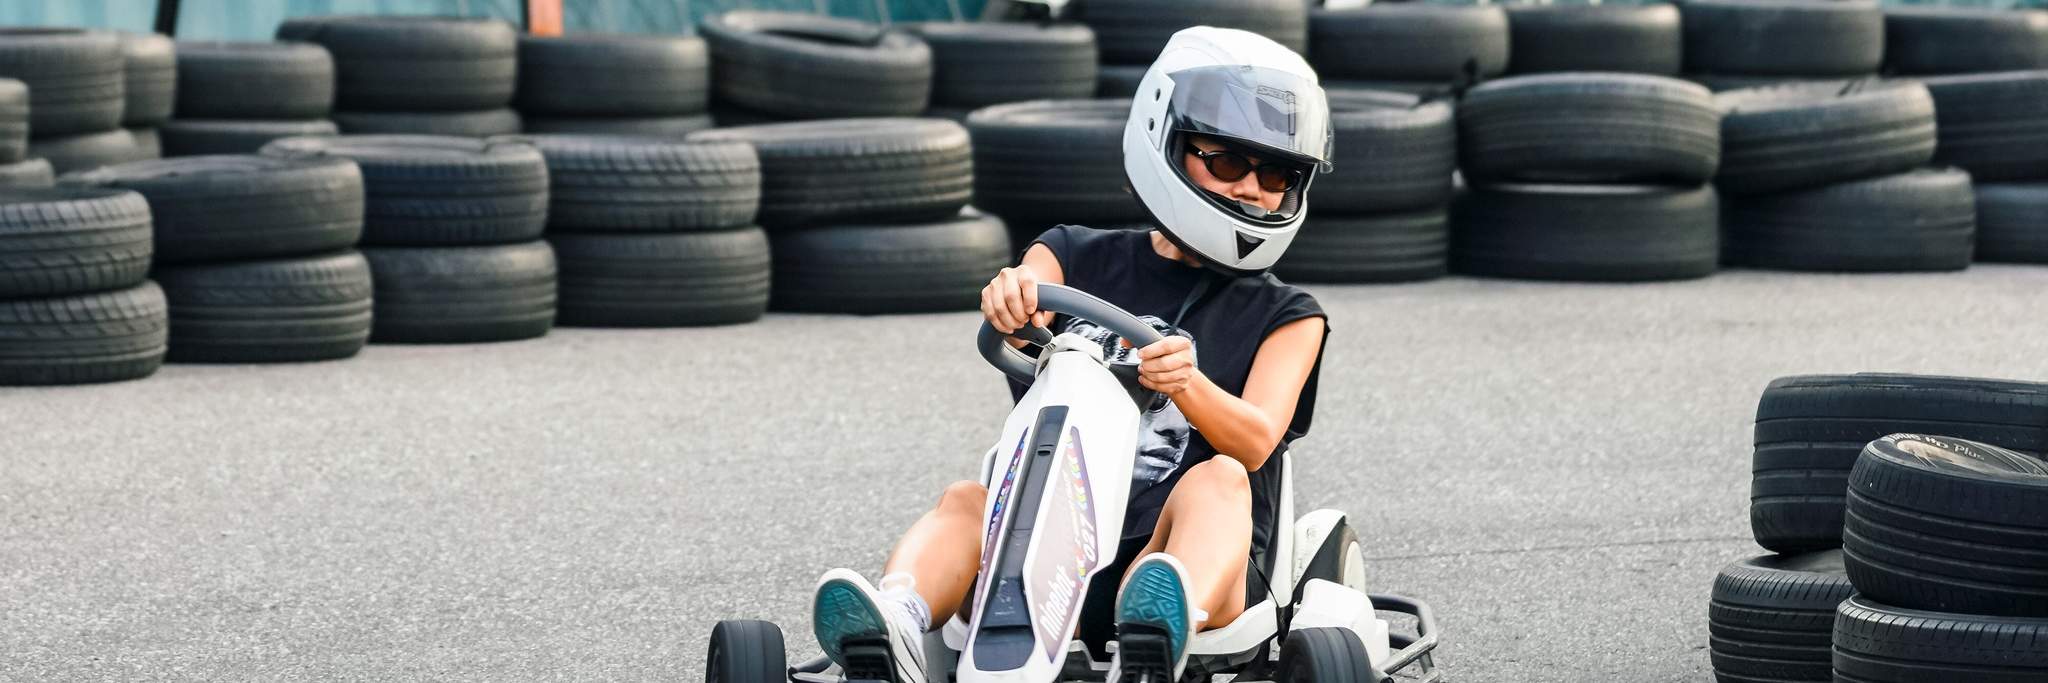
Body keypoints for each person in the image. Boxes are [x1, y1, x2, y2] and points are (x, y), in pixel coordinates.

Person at [809, 25, 1334, 683]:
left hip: (1189, 563)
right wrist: (1013, 300)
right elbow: (1030, 300)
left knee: (1220, 479)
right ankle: (899, 619)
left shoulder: (1288, 313)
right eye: (1227, 161)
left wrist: (1188, 385)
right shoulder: (1074, 253)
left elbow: (1257, 439)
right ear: (1167, 139)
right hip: (1039, 546)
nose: (1253, 188)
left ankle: (1154, 630)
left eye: (1277, 172)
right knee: (969, 497)